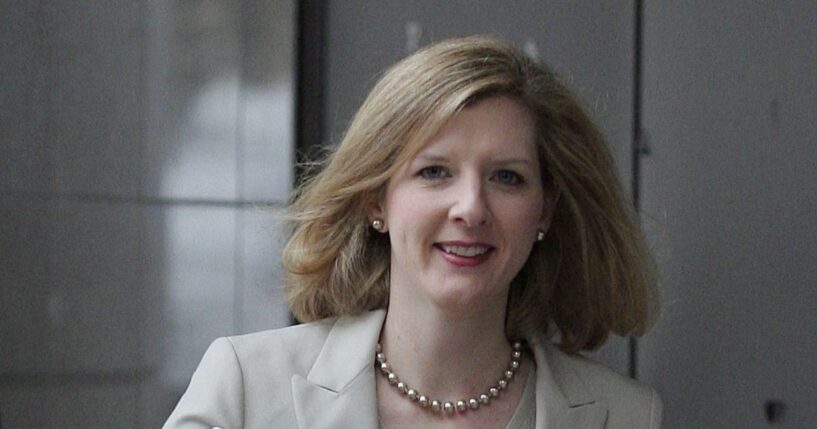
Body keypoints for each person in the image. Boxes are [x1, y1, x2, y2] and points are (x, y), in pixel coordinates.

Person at [164, 36, 661, 429]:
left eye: (507, 177)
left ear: (545, 213)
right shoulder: (245, 390)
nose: (470, 207)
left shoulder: (623, 417)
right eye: (434, 172)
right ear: (375, 199)